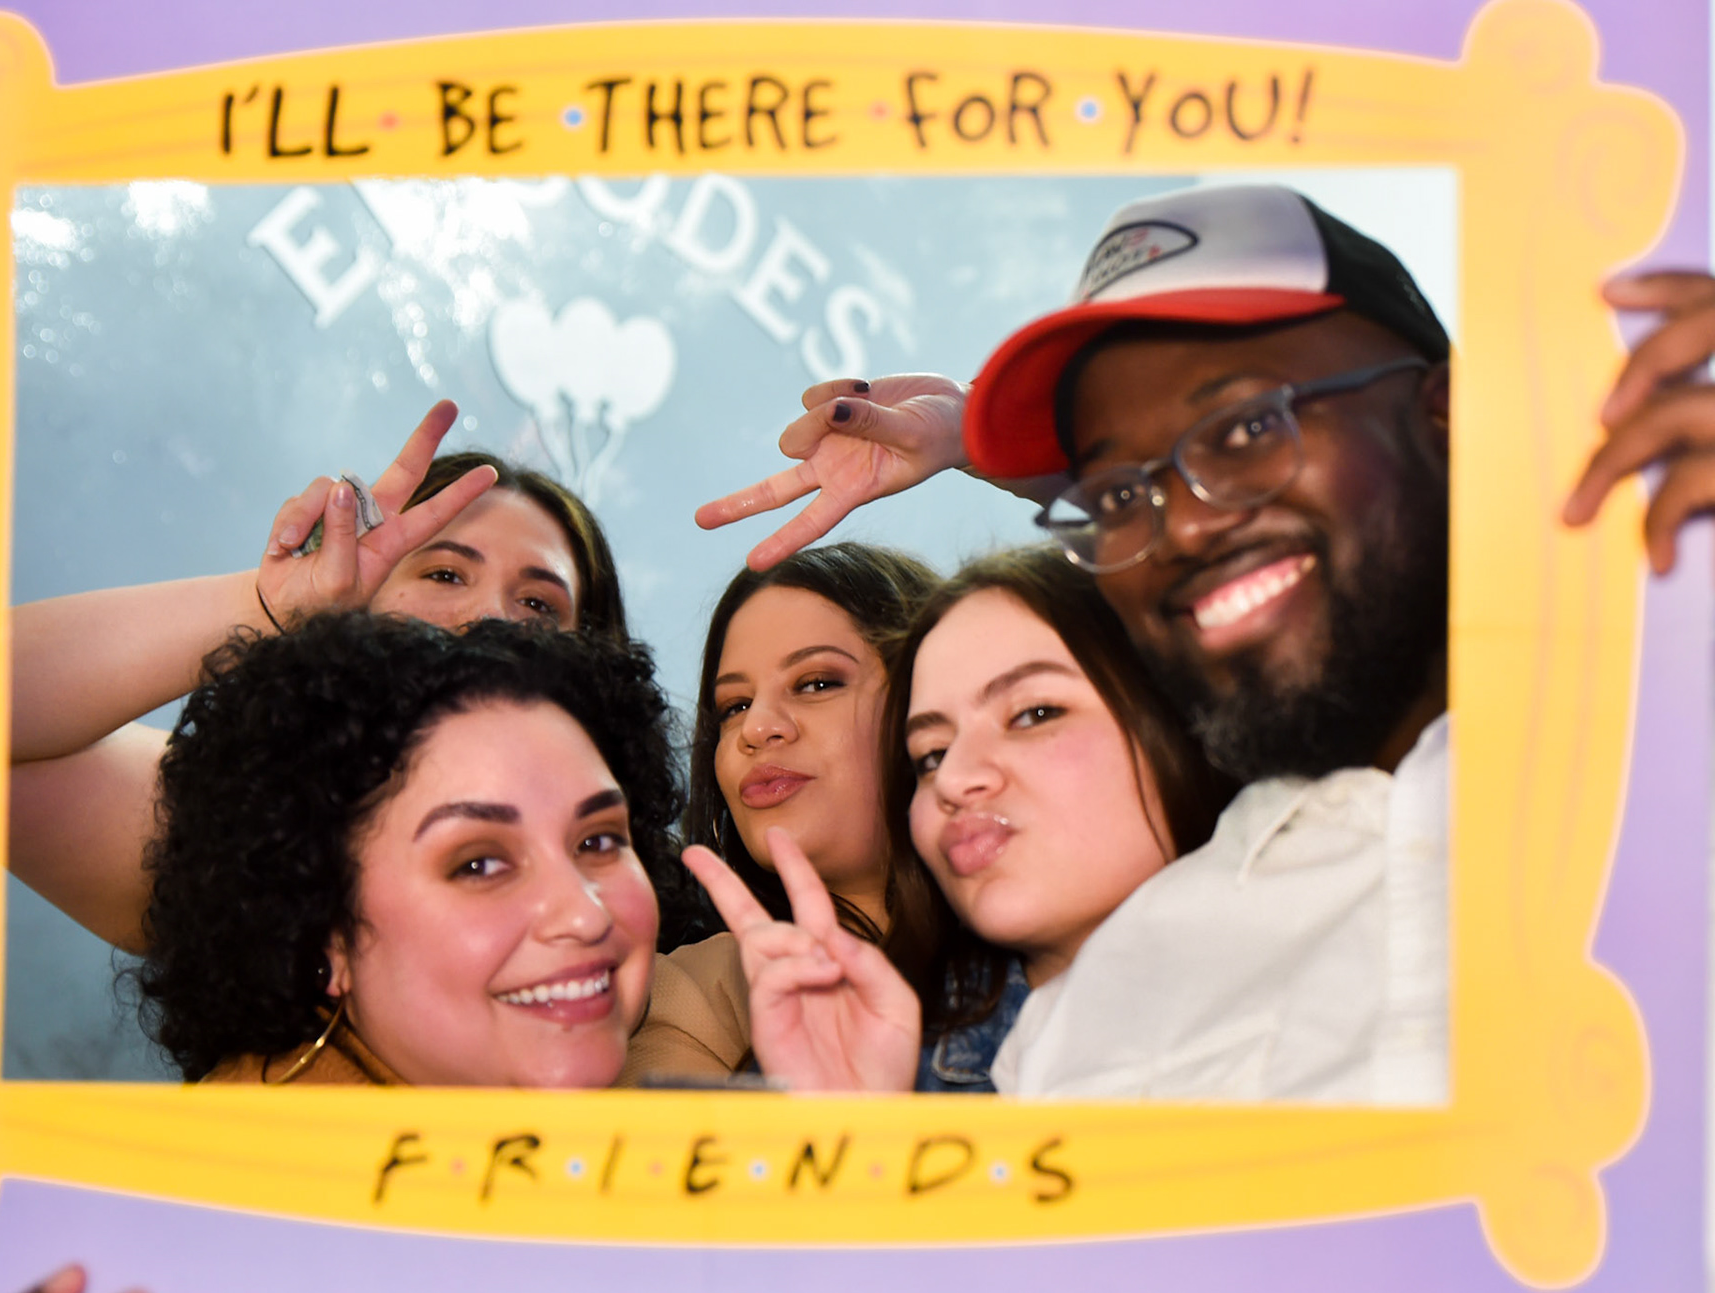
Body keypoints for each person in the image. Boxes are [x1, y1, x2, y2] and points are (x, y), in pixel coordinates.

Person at [701, 182, 1461, 1101]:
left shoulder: (1613, 718)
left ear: (1452, 415)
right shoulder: (1084, 1029)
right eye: (1116, 495)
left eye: (1250, 427)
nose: (1182, 524)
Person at [6, 401, 713, 955]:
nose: (490, 619)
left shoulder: (667, 910)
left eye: (538, 605)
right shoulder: (244, 826)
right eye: (444, 574)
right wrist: (266, 607)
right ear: (358, 605)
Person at [136, 612, 678, 1087]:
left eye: (598, 841)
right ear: (325, 937)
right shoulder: (236, 1170)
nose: (585, 915)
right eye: (479, 865)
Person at [881, 545, 1233, 1091]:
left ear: (1185, 721)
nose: (952, 779)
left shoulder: (1356, 975)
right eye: (931, 755)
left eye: (1033, 714)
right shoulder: (874, 1066)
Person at [618, 544, 939, 1084]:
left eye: (816, 683)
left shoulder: (1065, 935)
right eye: (734, 706)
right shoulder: (683, 997)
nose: (756, 727)